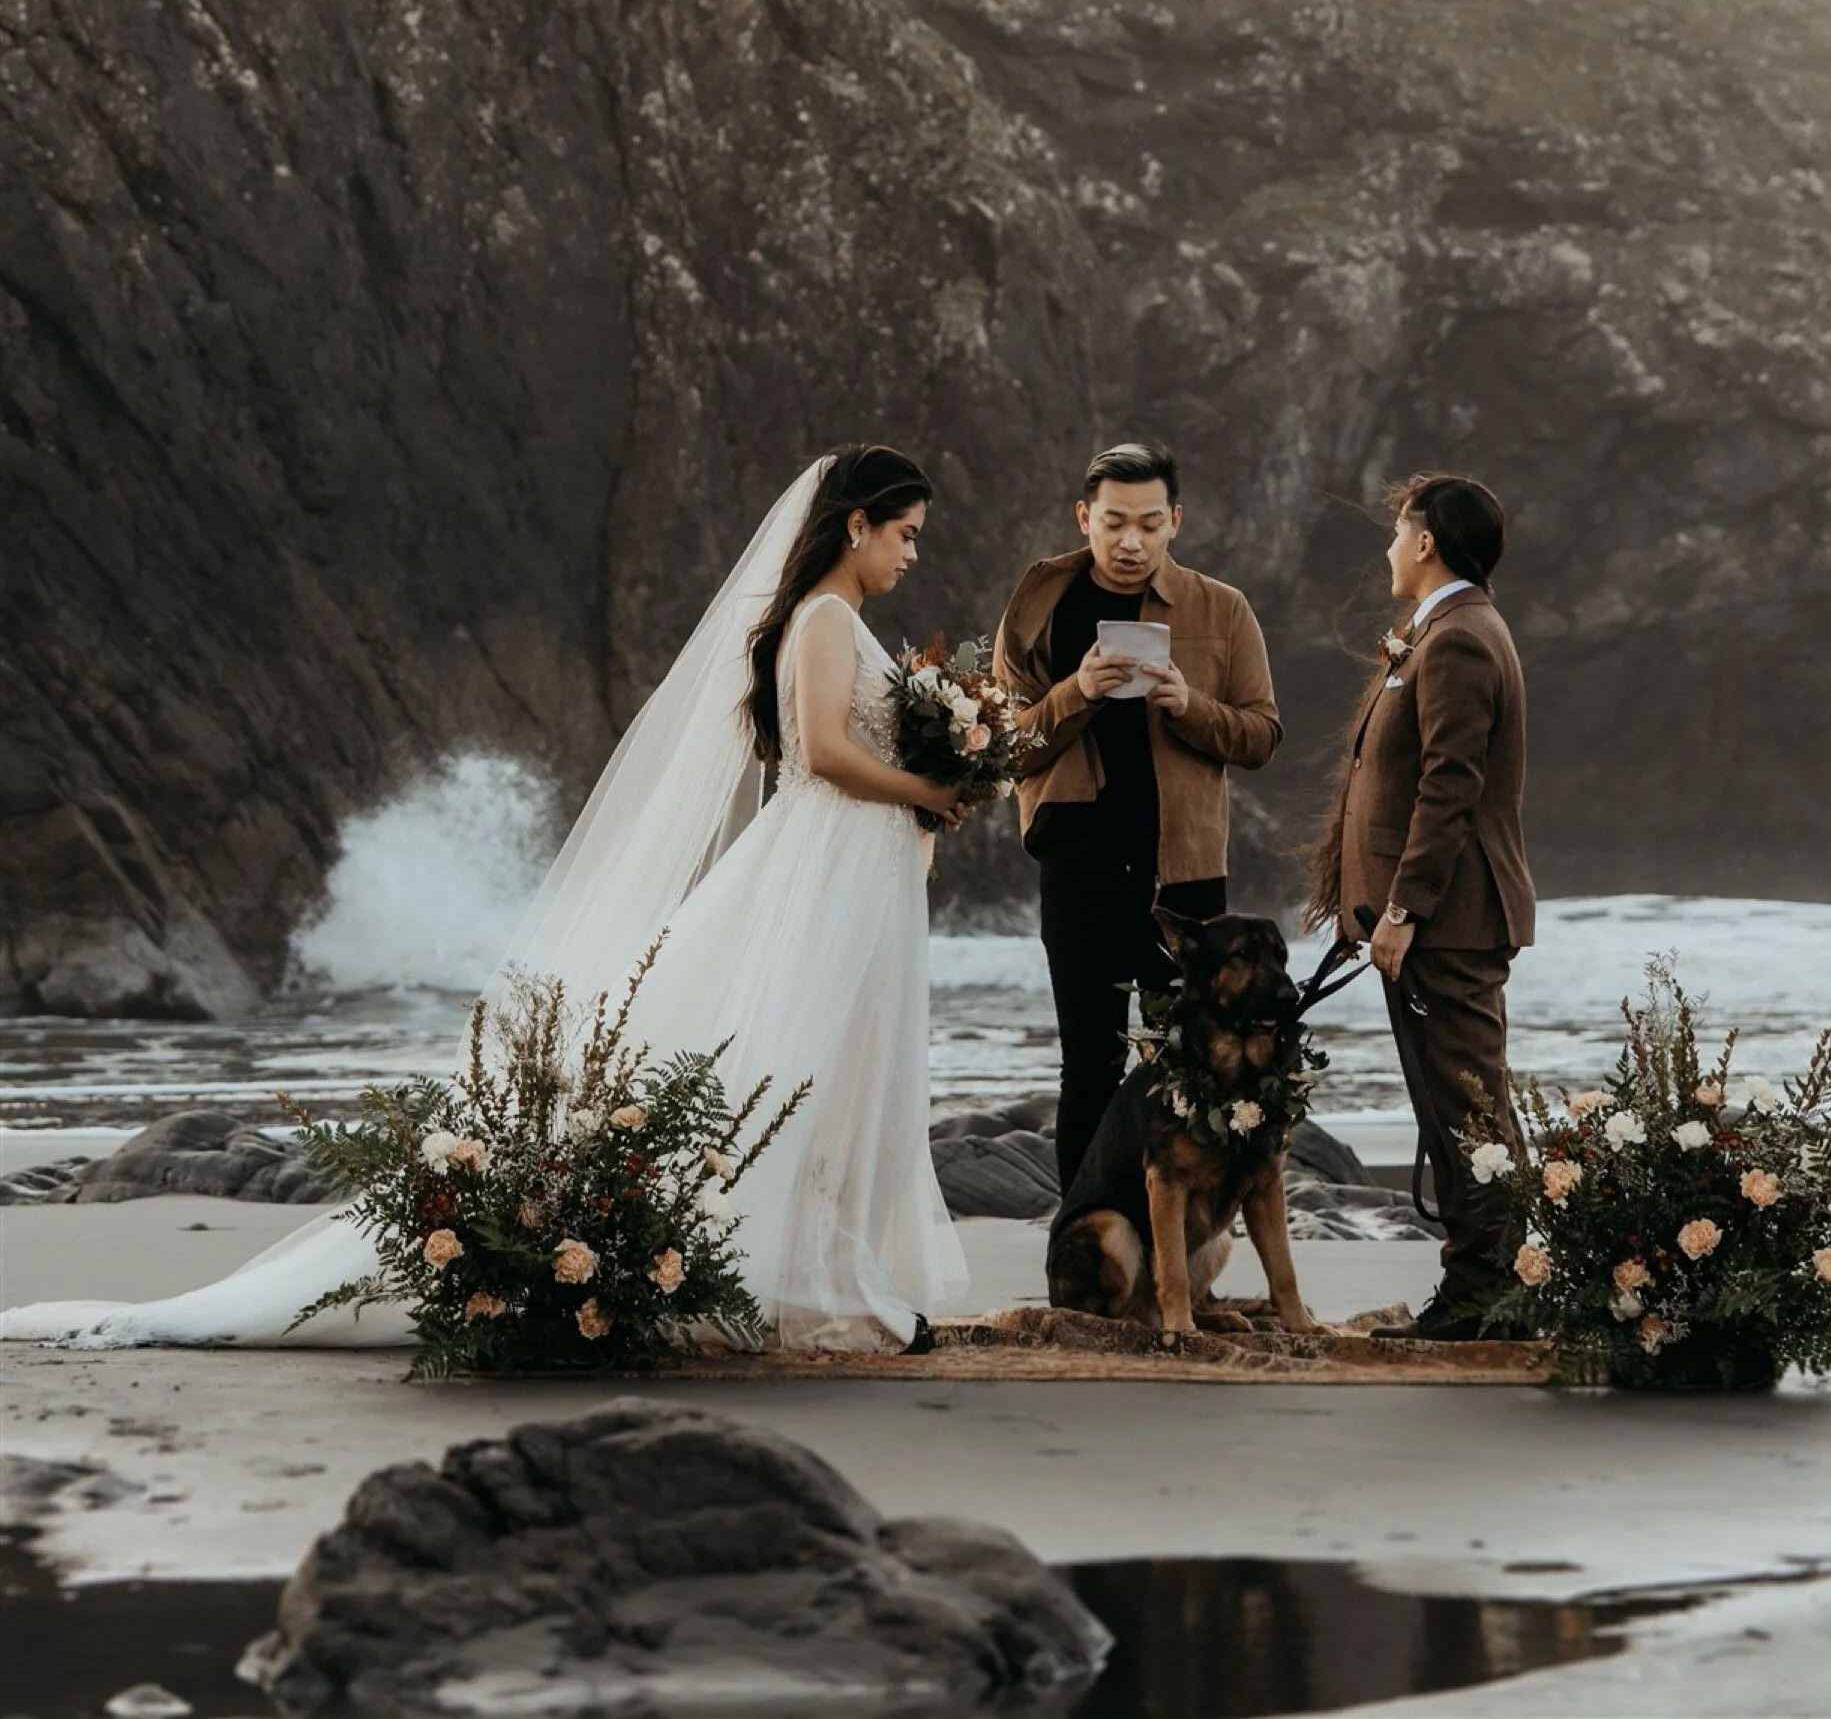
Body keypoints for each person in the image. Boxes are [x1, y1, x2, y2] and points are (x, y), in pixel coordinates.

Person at [1, 446, 970, 1355]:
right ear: (853, 527)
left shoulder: (841, 622)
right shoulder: (823, 620)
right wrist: (932, 788)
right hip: (817, 867)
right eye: (906, 533)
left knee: (828, 1069)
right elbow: (827, 753)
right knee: (790, 1065)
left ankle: (824, 1277)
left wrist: (940, 773)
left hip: (849, 872)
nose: (912, 553)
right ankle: (812, 1285)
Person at [995, 439, 1282, 1188]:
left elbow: (1261, 735)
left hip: (1184, 873)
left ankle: (1176, 1267)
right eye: (1115, 521)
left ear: (1176, 521)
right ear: (1084, 515)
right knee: (1089, 1062)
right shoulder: (1040, 604)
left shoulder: (1223, 608)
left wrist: (1191, 707)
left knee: (1186, 1068)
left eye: (1150, 524)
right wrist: (1076, 692)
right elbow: (1000, 747)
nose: (1131, 541)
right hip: (1080, 863)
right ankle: (1082, 1253)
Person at [1308, 470, 1536, 1340]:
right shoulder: (1438, 630)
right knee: (1453, 1109)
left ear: (1428, 538)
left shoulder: (1460, 638)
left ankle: (1488, 1293)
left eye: (1398, 530)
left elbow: (1450, 783)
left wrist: (1403, 909)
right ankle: (1490, 1284)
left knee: (1468, 1107)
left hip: (1451, 921)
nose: (1388, 546)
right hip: (1431, 921)